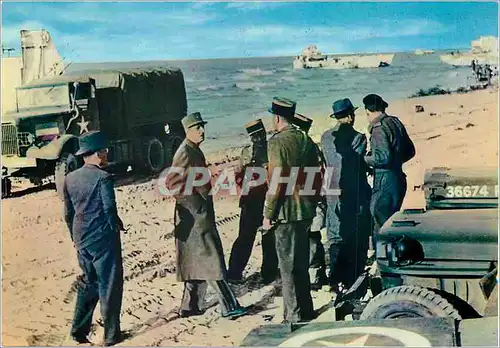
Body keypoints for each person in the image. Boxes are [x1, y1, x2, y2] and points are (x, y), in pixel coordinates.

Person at [165, 112, 248, 320]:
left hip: (193, 218)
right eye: (197, 128)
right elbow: (172, 183)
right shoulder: (185, 152)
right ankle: (229, 307)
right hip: (194, 218)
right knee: (213, 260)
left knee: (195, 260)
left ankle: (190, 306)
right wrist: (198, 207)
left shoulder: (193, 150)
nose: (202, 130)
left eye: (202, 126)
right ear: (187, 131)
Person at [63, 131, 126, 346]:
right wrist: (114, 228)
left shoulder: (69, 178)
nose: (107, 154)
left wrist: (75, 237)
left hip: (81, 238)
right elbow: (109, 208)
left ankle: (78, 332)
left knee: (88, 283)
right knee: (109, 284)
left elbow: (68, 213)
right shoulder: (103, 177)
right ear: (97, 154)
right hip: (102, 238)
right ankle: (111, 335)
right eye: (104, 150)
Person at [263, 97, 321, 323]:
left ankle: (294, 316)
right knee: (301, 265)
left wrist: (268, 214)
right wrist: (312, 203)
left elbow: (276, 182)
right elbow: (316, 176)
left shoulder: (277, 142)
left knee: (287, 268)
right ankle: (306, 310)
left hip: (286, 212)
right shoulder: (305, 139)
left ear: (277, 118)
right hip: (305, 210)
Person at [320, 99, 372, 292]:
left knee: (334, 233)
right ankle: (352, 277)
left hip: (332, 189)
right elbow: (356, 164)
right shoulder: (358, 137)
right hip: (353, 189)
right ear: (350, 116)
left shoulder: (325, 137)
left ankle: (334, 279)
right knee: (354, 232)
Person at [227, 119, 279, 284]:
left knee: (246, 238)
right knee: (267, 237)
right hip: (262, 200)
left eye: (259, 134)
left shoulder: (246, 152)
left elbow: (239, 176)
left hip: (251, 201)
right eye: (256, 135)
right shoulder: (271, 149)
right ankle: (268, 273)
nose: (258, 138)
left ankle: (235, 273)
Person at [362, 94, 415, 244]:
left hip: (384, 180)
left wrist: (363, 160)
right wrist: (396, 161)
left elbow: (382, 158)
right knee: (392, 221)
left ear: (368, 111)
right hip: (398, 177)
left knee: (381, 222)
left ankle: (383, 261)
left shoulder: (378, 128)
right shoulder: (395, 122)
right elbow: (410, 151)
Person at [292, 113, 328, 291]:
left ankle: (315, 276)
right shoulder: (310, 146)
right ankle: (316, 274)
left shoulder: (305, 148)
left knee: (311, 239)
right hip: (311, 199)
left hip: (309, 200)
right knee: (312, 239)